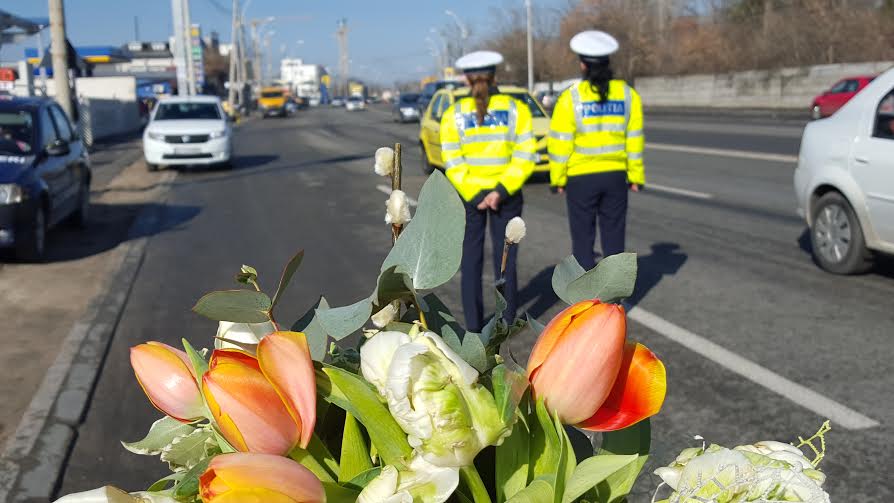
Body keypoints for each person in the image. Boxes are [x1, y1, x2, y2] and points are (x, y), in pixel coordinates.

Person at [440, 50, 537, 332]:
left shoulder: (453, 115)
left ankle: (472, 327)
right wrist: (500, 190)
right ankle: (505, 322)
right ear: (495, 76)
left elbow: (452, 160)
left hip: (471, 199)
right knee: (506, 261)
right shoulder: (515, 110)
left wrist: (475, 193)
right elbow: (525, 153)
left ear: (467, 79)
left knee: (470, 261)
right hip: (506, 196)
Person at [548, 30, 645, 270]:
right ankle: (613, 303)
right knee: (614, 241)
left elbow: (560, 143)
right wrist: (636, 176)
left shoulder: (570, 98)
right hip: (615, 177)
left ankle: (587, 302)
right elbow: (634, 140)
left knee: (583, 241)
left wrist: (557, 179)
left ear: (582, 65)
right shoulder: (627, 95)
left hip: (581, 180)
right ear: (608, 62)